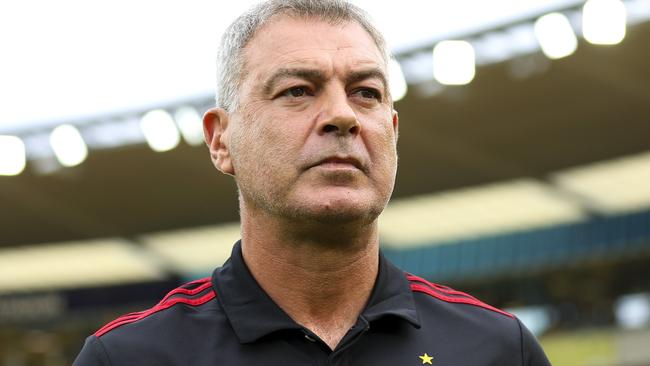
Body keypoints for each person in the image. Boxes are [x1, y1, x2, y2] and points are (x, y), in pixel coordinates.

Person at [74, 0, 551, 364]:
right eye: (297, 91)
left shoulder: (500, 349)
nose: (343, 115)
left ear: (394, 132)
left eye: (366, 92)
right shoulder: (129, 357)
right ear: (221, 141)